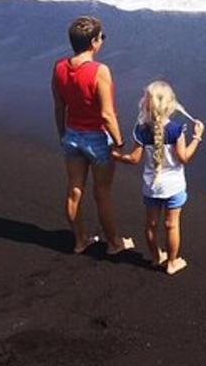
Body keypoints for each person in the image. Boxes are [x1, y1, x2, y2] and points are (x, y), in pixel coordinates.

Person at [51, 15, 133, 255]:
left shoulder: (58, 68)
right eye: (101, 37)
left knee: (74, 189)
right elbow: (107, 115)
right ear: (94, 42)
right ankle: (115, 243)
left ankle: (80, 240)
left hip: (72, 134)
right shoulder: (99, 71)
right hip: (97, 136)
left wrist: (62, 134)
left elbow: (59, 106)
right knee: (102, 193)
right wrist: (119, 142)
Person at [113, 80, 204, 274]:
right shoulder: (176, 129)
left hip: (151, 186)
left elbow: (133, 159)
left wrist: (115, 156)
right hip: (174, 186)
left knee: (151, 224)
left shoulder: (141, 130)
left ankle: (156, 257)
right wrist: (197, 137)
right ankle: (172, 263)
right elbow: (184, 157)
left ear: (147, 104)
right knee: (172, 225)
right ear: (170, 105)